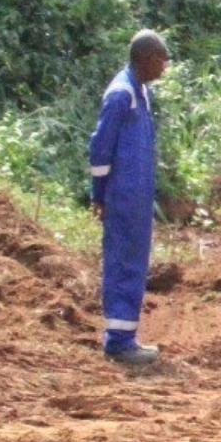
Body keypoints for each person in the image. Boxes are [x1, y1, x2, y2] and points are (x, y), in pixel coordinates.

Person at [88, 31, 169, 366]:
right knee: (122, 263)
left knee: (134, 263)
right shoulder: (121, 94)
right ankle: (119, 342)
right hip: (122, 196)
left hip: (136, 197)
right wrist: (100, 194)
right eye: (162, 61)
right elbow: (100, 147)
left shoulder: (141, 93)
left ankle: (125, 337)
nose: (164, 68)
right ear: (147, 58)